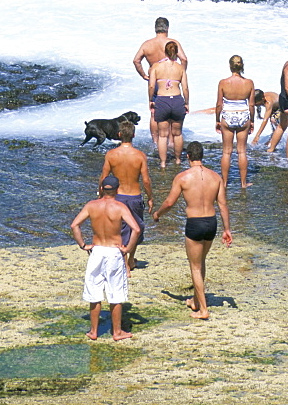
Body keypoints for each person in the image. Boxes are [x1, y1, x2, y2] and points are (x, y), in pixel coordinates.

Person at [152, 140, 232, 320]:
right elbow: (223, 204)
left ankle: (203, 310)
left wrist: (158, 214)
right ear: (201, 156)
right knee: (201, 262)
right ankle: (196, 300)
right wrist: (227, 229)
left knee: (195, 267)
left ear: (188, 156)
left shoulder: (183, 177)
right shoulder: (216, 177)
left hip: (195, 224)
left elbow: (170, 202)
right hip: (211, 223)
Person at [70, 174, 141, 341]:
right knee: (115, 292)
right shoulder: (120, 207)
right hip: (114, 251)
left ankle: (93, 331)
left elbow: (75, 225)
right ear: (117, 190)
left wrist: (83, 245)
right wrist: (128, 248)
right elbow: (136, 229)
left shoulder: (91, 205)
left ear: (102, 189)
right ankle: (116, 332)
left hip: (97, 250)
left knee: (94, 291)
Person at [98, 120, 153, 272]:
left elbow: (104, 177)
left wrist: (100, 194)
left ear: (119, 134)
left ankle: (124, 263)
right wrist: (150, 198)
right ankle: (130, 261)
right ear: (134, 135)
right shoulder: (140, 156)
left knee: (120, 230)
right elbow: (146, 181)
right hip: (134, 195)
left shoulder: (111, 154)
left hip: (118, 196)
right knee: (136, 228)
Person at [133, 17, 188, 145]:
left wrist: (143, 75)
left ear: (155, 28)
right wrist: (180, 73)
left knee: (154, 113)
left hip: (154, 79)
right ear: (167, 28)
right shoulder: (172, 43)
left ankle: (156, 141)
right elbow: (184, 59)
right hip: (170, 80)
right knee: (170, 113)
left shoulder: (147, 44)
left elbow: (136, 60)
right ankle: (170, 142)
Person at [215, 55, 255, 188]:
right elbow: (251, 105)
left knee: (227, 152)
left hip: (228, 115)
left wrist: (217, 120)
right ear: (242, 65)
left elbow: (219, 104)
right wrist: (252, 121)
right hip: (243, 115)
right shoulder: (249, 83)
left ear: (230, 66)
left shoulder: (223, 82)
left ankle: (224, 183)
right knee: (242, 151)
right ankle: (243, 183)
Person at [148, 40, 189, 168]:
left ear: (165, 52)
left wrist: (150, 100)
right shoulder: (180, 68)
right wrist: (187, 103)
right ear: (176, 53)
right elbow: (185, 88)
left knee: (163, 135)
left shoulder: (156, 67)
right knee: (177, 133)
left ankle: (163, 162)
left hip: (162, 100)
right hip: (177, 99)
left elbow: (151, 85)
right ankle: (177, 160)